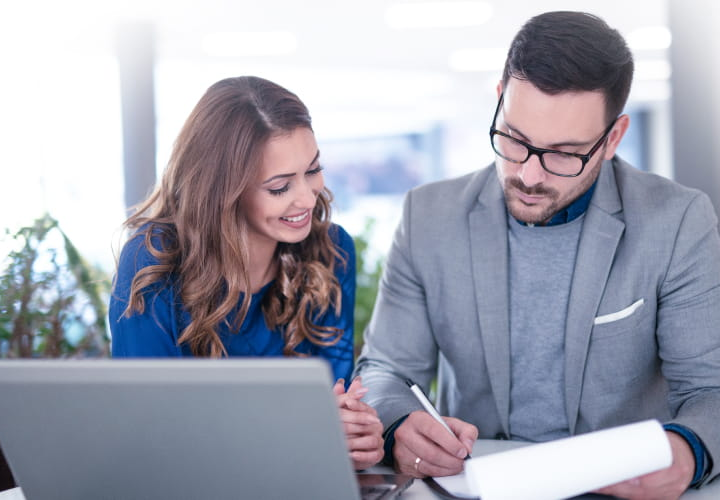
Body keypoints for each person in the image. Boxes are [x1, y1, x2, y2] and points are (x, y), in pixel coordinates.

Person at [354, 10, 720, 498]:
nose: (528, 175)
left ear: (613, 138)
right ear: (500, 97)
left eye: (564, 154)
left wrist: (686, 449)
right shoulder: (428, 217)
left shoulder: (677, 222)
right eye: (514, 140)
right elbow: (384, 371)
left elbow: (710, 391)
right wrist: (399, 422)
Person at [109, 76, 383, 470]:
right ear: (223, 191)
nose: (307, 198)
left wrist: (355, 435)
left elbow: (330, 406)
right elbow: (150, 432)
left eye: (313, 169)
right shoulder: (153, 262)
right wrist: (301, 432)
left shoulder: (332, 252)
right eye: (279, 187)